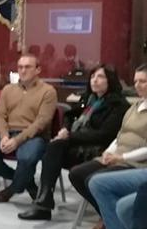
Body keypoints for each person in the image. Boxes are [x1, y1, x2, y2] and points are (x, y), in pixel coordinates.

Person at [67, 63, 147, 229]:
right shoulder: (134, 107)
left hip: (139, 162)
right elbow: (120, 135)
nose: (137, 85)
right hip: (118, 155)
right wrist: (109, 152)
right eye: (135, 81)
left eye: (143, 81)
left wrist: (122, 157)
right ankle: (108, 217)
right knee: (77, 174)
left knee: (95, 179)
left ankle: (116, 226)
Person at [18, 65, 128, 220]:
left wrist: (70, 136)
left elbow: (104, 135)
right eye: (92, 77)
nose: (95, 81)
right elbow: (70, 114)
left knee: (55, 148)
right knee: (54, 146)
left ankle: (43, 202)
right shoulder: (89, 99)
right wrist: (65, 129)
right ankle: (44, 200)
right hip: (77, 145)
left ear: (110, 80)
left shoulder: (118, 105)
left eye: (100, 77)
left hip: (99, 150)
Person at [0, 54, 57, 202]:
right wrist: (4, 135)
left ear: (38, 70)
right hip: (7, 133)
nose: (23, 70)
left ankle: (13, 188)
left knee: (26, 158)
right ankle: (25, 181)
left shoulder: (48, 91)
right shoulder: (8, 89)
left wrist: (17, 140)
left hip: (34, 136)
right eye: (20, 67)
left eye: (28, 67)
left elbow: (42, 122)